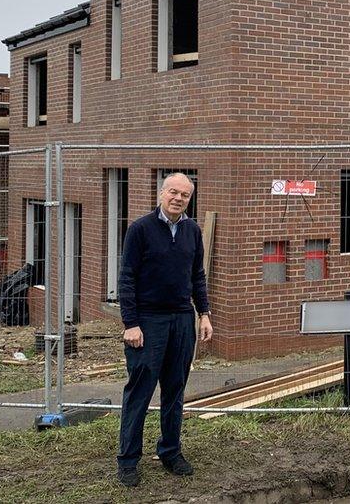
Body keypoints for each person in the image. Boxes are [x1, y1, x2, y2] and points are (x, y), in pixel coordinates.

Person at [116, 172, 213, 487]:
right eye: (173, 192)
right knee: (139, 393)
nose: (178, 198)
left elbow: (197, 275)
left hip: (182, 320)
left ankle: (171, 452)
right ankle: (128, 461)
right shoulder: (140, 230)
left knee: (175, 392)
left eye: (185, 195)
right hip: (148, 322)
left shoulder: (192, 231)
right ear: (161, 193)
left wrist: (204, 314)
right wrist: (130, 323)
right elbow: (127, 277)